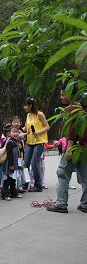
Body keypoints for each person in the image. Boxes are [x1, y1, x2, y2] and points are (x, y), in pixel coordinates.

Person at [47, 85, 87, 213]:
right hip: (84, 149)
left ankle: (61, 204)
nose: (61, 97)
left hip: (74, 148)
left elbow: (72, 131)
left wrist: (69, 150)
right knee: (85, 178)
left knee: (63, 175)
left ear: (71, 94)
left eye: (63, 94)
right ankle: (85, 204)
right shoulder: (83, 109)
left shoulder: (74, 110)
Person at [23, 97, 50, 192]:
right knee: (25, 163)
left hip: (39, 142)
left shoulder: (40, 114)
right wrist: (15, 128)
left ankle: (38, 185)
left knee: (34, 163)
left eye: (25, 105)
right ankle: (25, 184)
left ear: (30, 105)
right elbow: (26, 128)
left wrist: (38, 132)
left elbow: (47, 127)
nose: (24, 107)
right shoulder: (28, 115)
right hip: (30, 142)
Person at [1, 127, 22, 201]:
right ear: (9, 133)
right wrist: (11, 164)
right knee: (8, 179)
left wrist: (20, 148)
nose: (16, 133)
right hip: (10, 164)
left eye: (17, 132)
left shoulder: (16, 142)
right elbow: (9, 154)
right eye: (14, 132)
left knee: (13, 179)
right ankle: (5, 194)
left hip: (15, 164)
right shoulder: (10, 142)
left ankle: (13, 193)